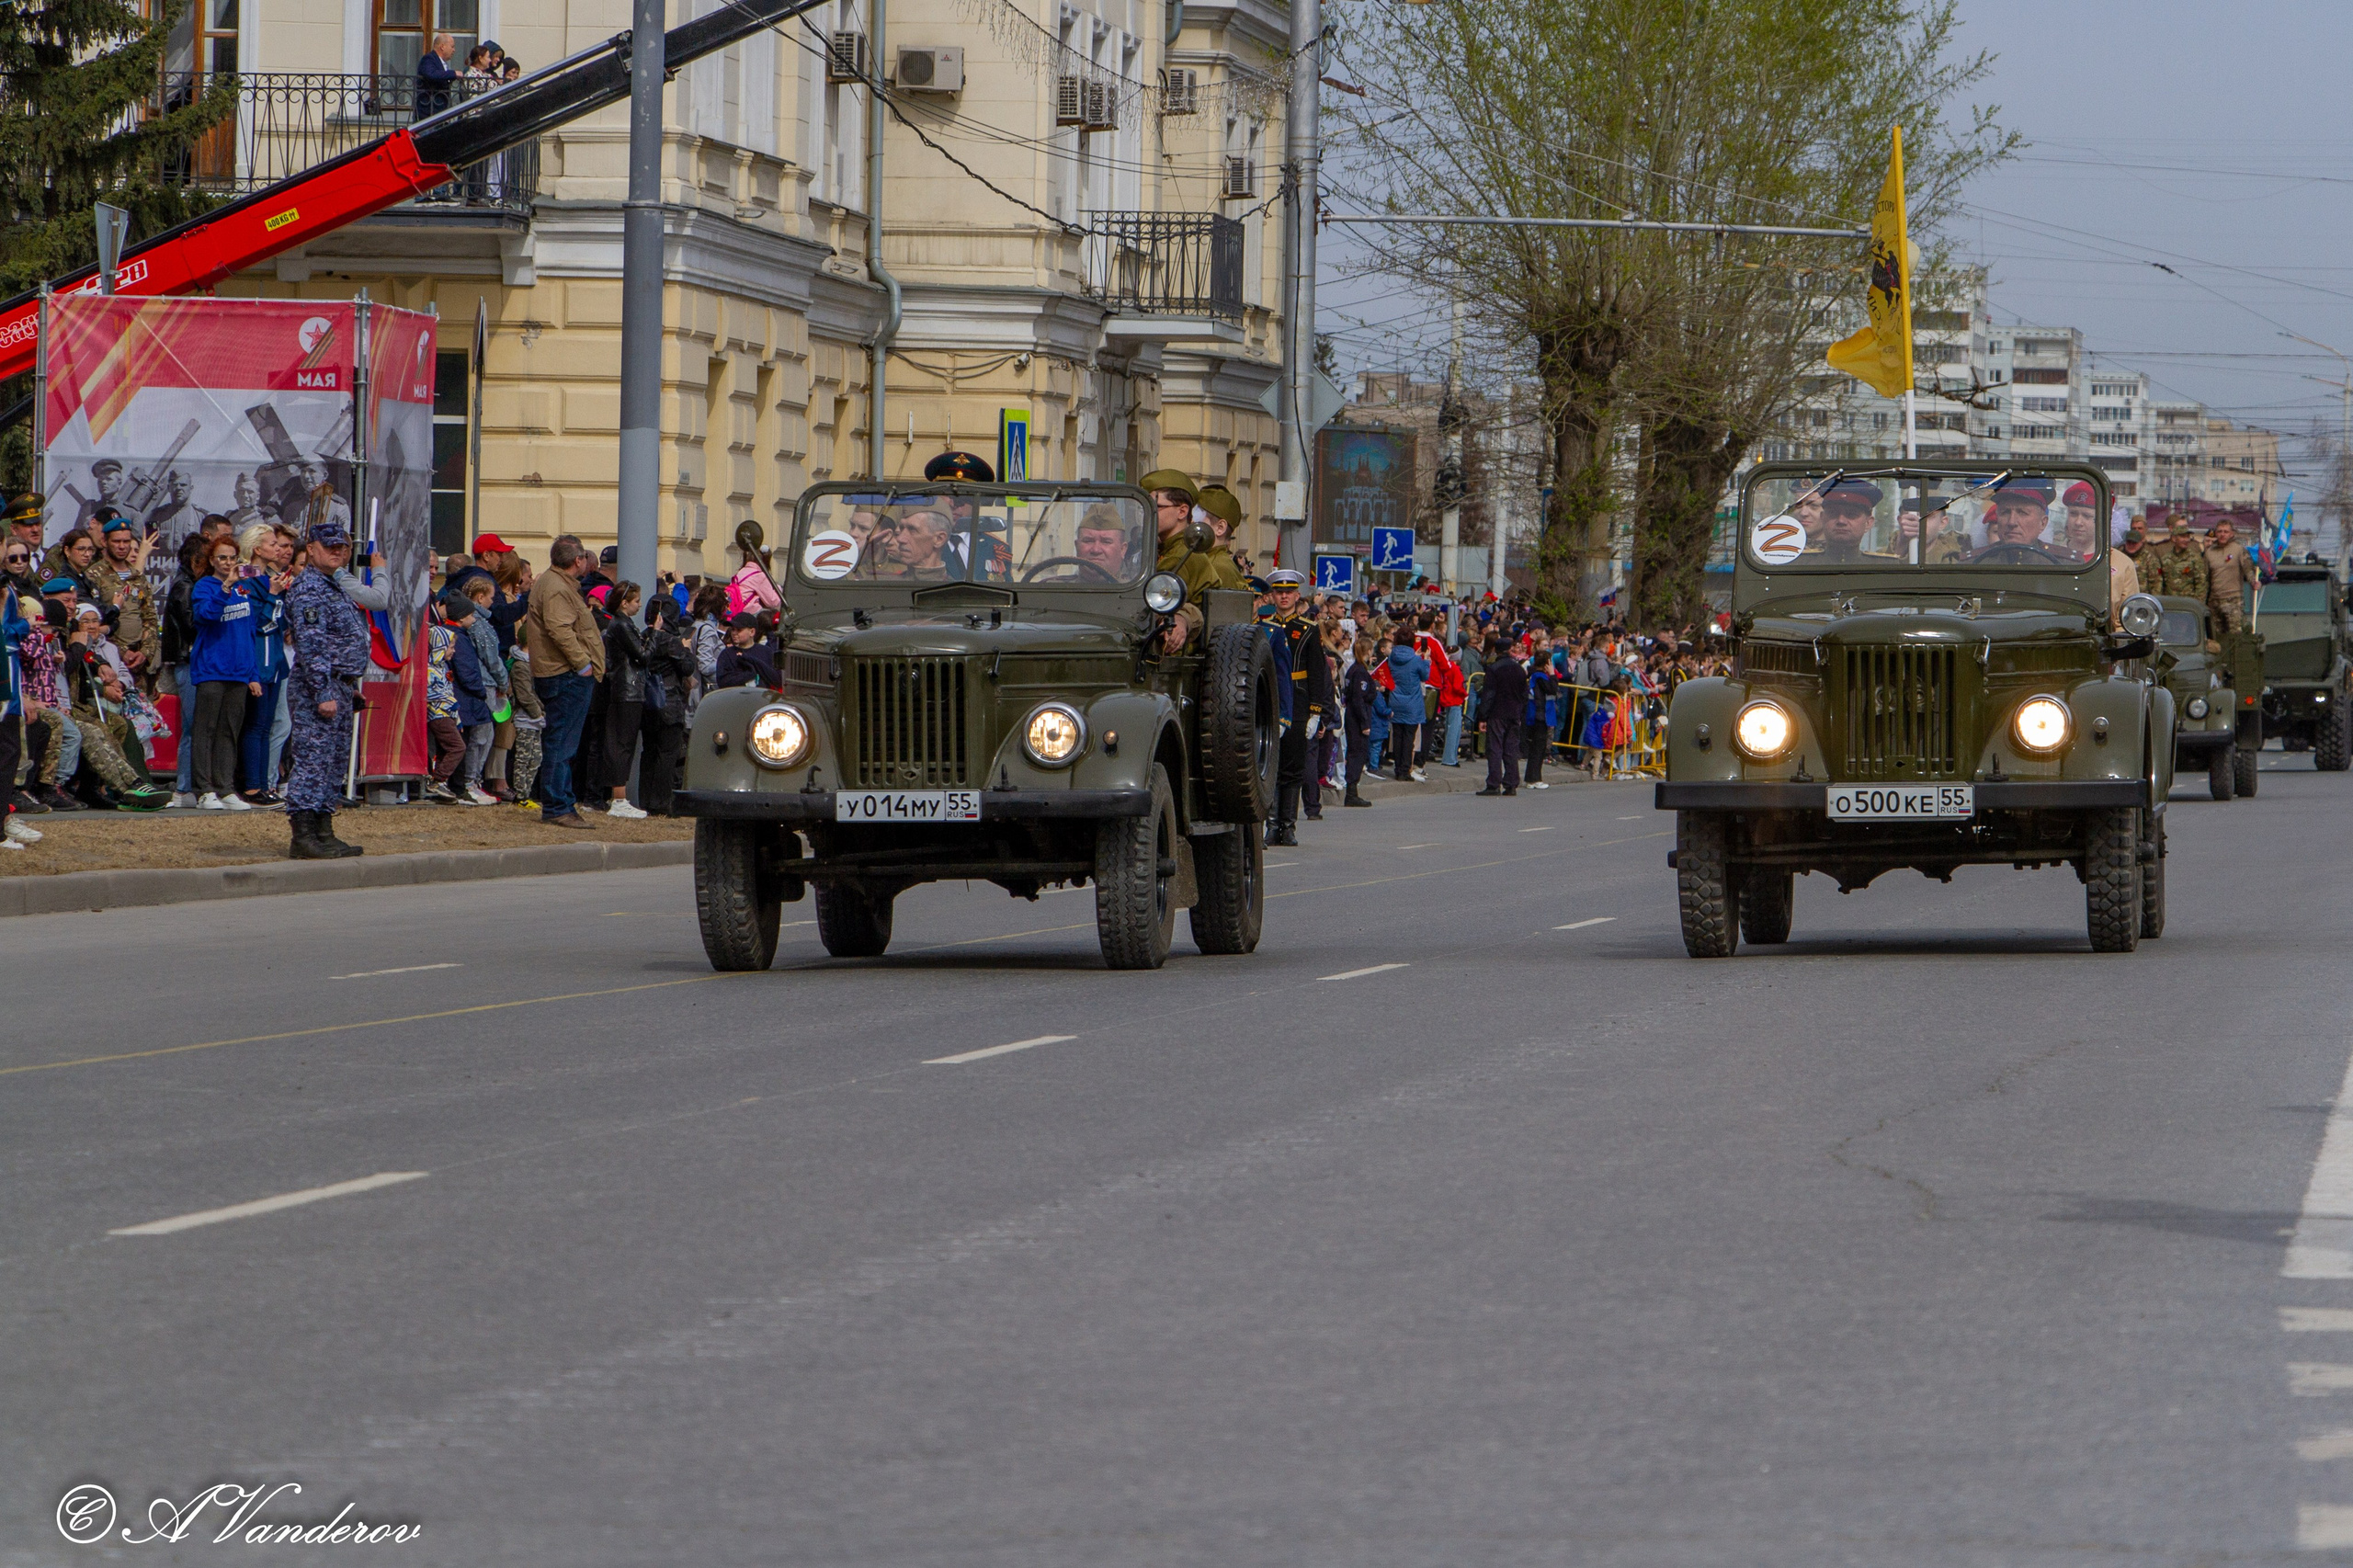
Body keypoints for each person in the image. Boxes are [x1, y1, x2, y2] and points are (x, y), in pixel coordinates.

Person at [524, 534, 604, 828]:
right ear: (577, 560)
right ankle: (558, 806)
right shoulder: (557, 587)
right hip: (564, 674)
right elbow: (560, 629)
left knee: (561, 742)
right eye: (584, 557)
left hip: (561, 673)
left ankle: (562, 803)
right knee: (561, 744)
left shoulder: (556, 583)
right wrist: (583, 665)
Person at [188, 533, 260, 810]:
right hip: (212, 669)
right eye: (222, 558)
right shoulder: (204, 586)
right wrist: (225, 587)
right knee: (205, 730)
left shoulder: (244, 588)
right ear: (212, 560)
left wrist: (253, 674)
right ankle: (203, 790)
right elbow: (205, 616)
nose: (228, 562)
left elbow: (249, 631)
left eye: (232, 558)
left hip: (239, 672)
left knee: (229, 731)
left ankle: (225, 788)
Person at [1259, 569, 1326, 846]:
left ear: (1298, 596)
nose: (1284, 596)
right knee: (1270, 766)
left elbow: (1318, 673)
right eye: (1279, 592)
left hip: (1298, 701)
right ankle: (1272, 825)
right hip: (1270, 699)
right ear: (1272, 596)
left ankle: (1288, 826)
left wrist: (1316, 712)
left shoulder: (1309, 629)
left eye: (1289, 592)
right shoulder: (1263, 627)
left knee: (1293, 767)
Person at [233, 522, 292, 803]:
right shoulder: (245, 578)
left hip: (275, 661)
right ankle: (252, 786)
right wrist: (274, 596)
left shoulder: (270, 577)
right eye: (273, 544)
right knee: (255, 725)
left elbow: (281, 622)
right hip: (257, 660)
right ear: (257, 549)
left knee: (268, 725)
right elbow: (256, 622)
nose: (278, 549)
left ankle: (266, 784)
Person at [595, 581, 653, 819]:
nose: (640, 605)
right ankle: (619, 798)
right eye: (636, 601)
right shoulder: (621, 625)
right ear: (624, 603)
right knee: (622, 744)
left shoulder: (620, 624)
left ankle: (619, 796)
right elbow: (642, 656)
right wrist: (655, 634)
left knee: (622, 743)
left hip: (625, 689)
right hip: (627, 690)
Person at [637, 593, 693, 814]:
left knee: (649, 752)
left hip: (647, 701)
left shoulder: (642, 637)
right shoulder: (670, 641)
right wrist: (685, 648)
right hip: (669, 701)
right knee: (667, 754)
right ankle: (661, 802)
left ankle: (645, 800)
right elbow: (687, 667)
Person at [89, 517, 158, 687]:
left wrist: (145, 652)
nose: (122, 546)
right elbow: (93, 622)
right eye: (116, 541)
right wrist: (121, 651)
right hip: (109, 659)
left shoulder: (137, 577)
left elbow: (149, 618)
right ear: (105, 542)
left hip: (139, 662)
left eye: (126, 541)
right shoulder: (94, 575)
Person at [1476, 633, 1526, 797]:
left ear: (1496, 650)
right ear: (1509, 649)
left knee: (1495, 748)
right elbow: (1524, 694)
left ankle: (1494, 783)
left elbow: (1489, 694)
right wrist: (1520, 712)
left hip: (1497, 712)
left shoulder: (1494, 669)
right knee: (1511, 748)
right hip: (1514, 712)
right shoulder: (1519, 669)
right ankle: (1511, 783)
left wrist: (1483, 716)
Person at [1802, 479, 1887, 562]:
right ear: (1822, 518)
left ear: (1868, 523)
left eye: (1851, 514)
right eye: (1833, 513)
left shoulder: (1884, 566)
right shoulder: (1801, 564)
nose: (1841, 521)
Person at [1340, 634, 1379, 808]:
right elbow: (1358, 699)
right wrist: (1364, 723)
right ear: (1368, 651)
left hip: (1353, 715)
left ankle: (1352, 791)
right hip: (1357, 718)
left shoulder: (1354, 670)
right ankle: (1351, 792)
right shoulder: (1360, 672)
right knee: (1358, 753)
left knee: (1355, 752)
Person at [1385, 633, 1428, 783]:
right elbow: (1425, 676)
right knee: (1409, 738)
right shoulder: (1416, 660)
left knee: (1397, 736)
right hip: (1412, 702)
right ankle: (1405, 769)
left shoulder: (1391, 658)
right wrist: (1426, 660)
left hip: (1396, 700)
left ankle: (1398, 769)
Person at [1523, 628, 1557, 790]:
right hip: (1540, 715)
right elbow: (1552, 689)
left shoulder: (1534, 675)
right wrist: (1553, 674)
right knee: (1538, 748)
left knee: (1536, 748)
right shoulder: (1541, 677)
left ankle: (1532, 777)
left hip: (1537, 714)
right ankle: (1534, 778)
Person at [2203, 518, 2248, 632]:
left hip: (2233, 600)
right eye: (2220, 531)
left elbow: (2248, 569)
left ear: (2231, 534)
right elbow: (2205, 577)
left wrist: (2254, 582)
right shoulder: (2209, 552)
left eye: (2226, 532)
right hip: (2215, 601)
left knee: (2235, 634)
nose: (2222, 534)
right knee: (2214, 634)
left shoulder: (2238, 549)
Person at [712, 612, 778, 688]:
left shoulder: (766, 652)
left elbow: (776, 680)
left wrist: (754, 662)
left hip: (761, 695)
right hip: (735, 695)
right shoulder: (726, 654)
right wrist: (748, 674)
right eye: (733, 629)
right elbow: (722, 682)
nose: (734, 633)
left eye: (739, 630)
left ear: (752, 632)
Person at [2155, 518, 2210, 600]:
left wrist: (2197, 604)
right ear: (2174, 538)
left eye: (2188, 537)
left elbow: (2201, 585)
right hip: (2170, 602)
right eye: (2183, 537)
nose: (2186, 540)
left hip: (2188, 604)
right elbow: (2160, 584)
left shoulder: (2195, 558)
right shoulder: (2165, 559)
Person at [415, 31, 458, 117]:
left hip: (439, 110)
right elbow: (431, 74)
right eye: (452, 46)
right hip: (429, 111)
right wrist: (453, 73)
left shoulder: (440, 61)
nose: (454, 50)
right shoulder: (429, 58)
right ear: (442, 47)